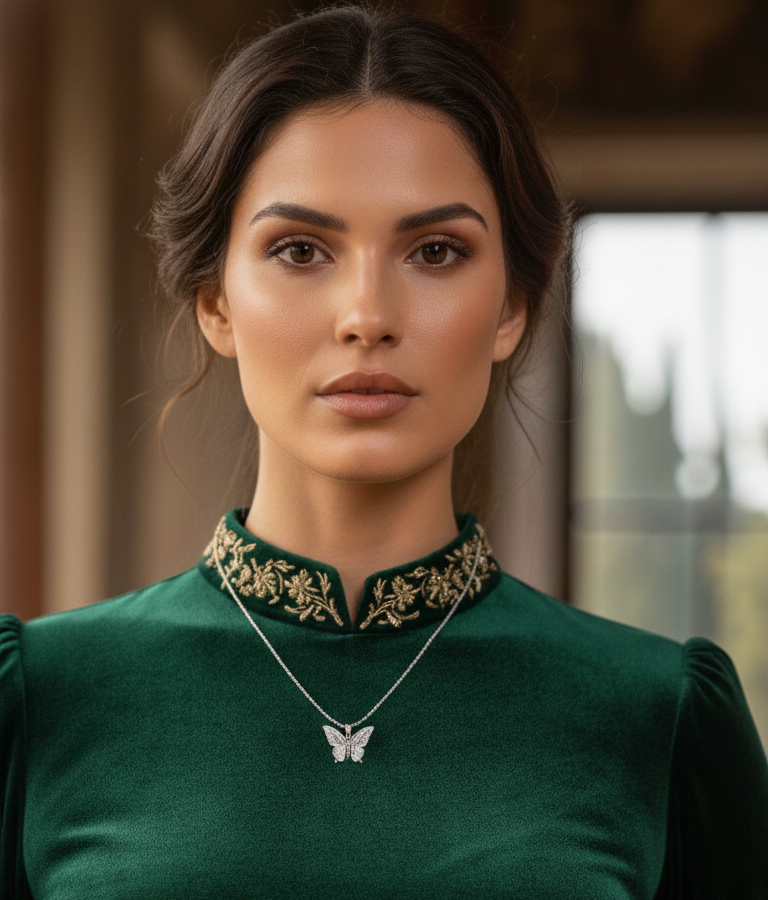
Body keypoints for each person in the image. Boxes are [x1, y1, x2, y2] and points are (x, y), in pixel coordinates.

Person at [2, 5, 767, 898]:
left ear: (512, 306)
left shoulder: (658, 717)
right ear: (215, 303)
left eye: (435, 251)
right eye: (299, 250)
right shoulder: (42, 701)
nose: (367, 315)